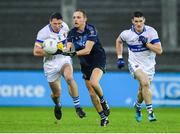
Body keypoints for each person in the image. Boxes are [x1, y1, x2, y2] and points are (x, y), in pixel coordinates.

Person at [33, 12, 86, 121]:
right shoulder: (43, 33)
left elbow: (68, 41)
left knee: (70, 78)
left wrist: (67, 49)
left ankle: (78, 107)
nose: (57, 26)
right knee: (56, 94)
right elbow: (36, 51)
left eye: (59, 23)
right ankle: (57, 105)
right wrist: (51, 51)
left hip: (63, 59)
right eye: (55, 24)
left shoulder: (65, 27)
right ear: (50, 22)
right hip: (50, 64)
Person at [61, 9, 110, 126]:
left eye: (78, 17)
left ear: (85, 19)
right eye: (74, 18)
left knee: (94, 82)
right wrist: (60, 49)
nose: (75, 20)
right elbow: (67, 48)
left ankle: (103, 101)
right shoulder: (71, 33)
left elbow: (87, 50)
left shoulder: (91, 30)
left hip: (97, 59)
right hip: (85, 63)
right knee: (92, 93)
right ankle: (103, 117)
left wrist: (72, 53)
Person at [115, 11, 163, 122]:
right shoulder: (126, 34)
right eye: (136, 21)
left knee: (143, 89)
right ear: (132, 21)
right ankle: (150, 113)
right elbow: (119, 41)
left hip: (149, 65)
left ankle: (137, 105)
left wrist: (147, 44)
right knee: (145, 83)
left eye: (140, 21)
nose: (138, 24)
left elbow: (159, 50)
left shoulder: (151, 32)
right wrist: (120, 57)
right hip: (134, 64)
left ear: (144, 20)